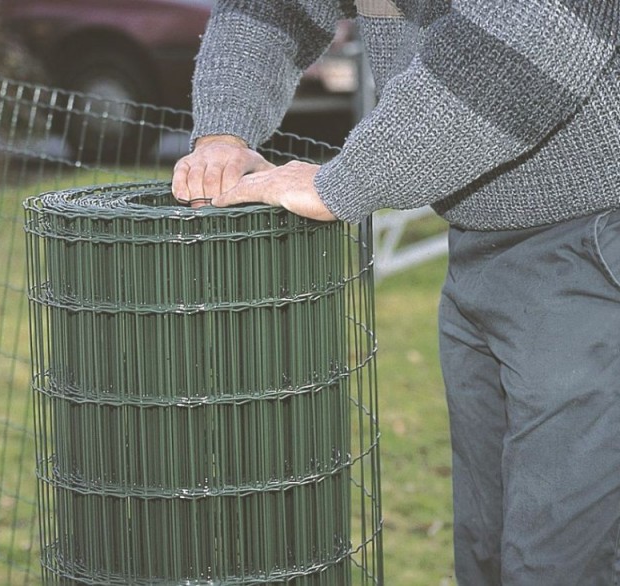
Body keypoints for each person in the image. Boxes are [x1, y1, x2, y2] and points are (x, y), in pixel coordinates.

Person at [172, 1, 620, 583]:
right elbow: (273, 7)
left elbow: (535, 32)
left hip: (590, 245)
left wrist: (346, 181)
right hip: (480, 245)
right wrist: (223, 133)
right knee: (487, 549)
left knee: (562, 558)